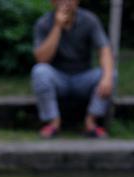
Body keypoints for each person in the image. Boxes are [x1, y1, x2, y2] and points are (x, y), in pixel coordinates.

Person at [31, 0, 115, 139]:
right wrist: (57, 27)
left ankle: (91, 123)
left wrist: (107, 77)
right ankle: (53, 122)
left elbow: (104, 50)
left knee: (110, 73)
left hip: (83, 77)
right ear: (53, 2)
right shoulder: (43, 23)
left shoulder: (89, 20)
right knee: (40, 71)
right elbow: (42, 59)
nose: (67, 2)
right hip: (58, 77)